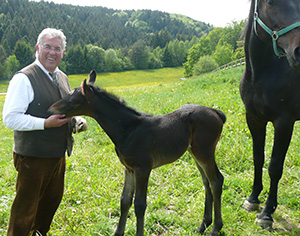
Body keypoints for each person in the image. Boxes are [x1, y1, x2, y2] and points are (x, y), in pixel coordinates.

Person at [3, 28, 87, 236]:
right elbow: (10, 118)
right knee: (25, 210)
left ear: (63, 53)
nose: (52, 52)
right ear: (38, 48)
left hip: (57, 155)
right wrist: (45, 124)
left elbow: (65, 110)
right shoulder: (24, 78)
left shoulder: (62, 77)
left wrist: (76, 120)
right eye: (48, 47)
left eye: (57, 48)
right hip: (33, 157)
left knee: (49, 204)